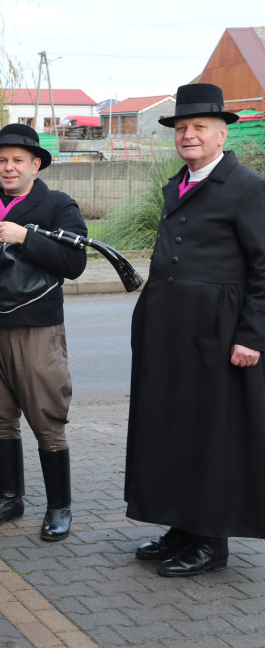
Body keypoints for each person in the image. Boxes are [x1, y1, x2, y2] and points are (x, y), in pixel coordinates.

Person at [126, 83, 265, 577]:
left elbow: (263, 267)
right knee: (171, 428)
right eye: (181, 128)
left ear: (221, 133)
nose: (188, 135)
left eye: (198, 127)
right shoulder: (180, 182)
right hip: (169, 332)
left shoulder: (247, 187)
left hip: (219, 331)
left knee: (210, 434)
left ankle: (210, 540)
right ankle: (179, 526)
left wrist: (252, 336)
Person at [0, 123, 86, 541]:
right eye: (2, 161)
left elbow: (75, 263)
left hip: (36, 328)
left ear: (36, 164)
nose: (8, 168)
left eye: (17, 161)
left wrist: (26, 236)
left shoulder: (58, 206)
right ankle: (10, 497)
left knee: (46, 418)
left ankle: (59, 507)